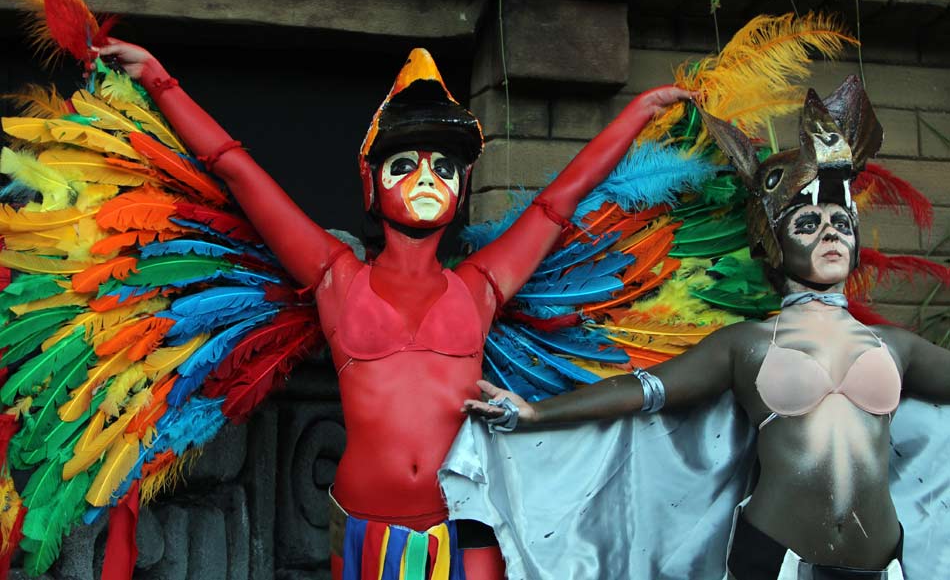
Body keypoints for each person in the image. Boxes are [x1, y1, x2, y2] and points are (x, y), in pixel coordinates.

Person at [95, 38, 689, 580]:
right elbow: (235, 169)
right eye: (404, 164)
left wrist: (638, 113)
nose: (426, 178)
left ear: (460, 189)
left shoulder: (482, 285)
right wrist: (158, 79)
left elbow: (562, 199)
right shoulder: (334, 277)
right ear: (371, 184)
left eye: (444, 166)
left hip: (467, 520)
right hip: (364, 529)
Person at [461, 77, 950, 579]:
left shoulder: (896, 348)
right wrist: (537, 414)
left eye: (841, 222)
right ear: (771, 243)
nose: (829, 231)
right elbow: (646, 390)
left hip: (883, 568)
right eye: (807, 223)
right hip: (775, 564)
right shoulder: (748, 344)